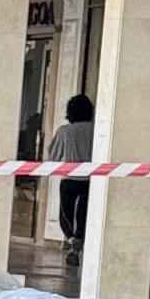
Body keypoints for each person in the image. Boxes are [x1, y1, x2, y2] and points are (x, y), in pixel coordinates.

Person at [46, 91, 97, 268]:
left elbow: (53, 155)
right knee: (83, 215)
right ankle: (78, 243)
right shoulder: (96, 130)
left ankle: (71, 240)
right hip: (91, 181)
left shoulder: (65, 131)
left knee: (66, 215)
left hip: (69, 179)